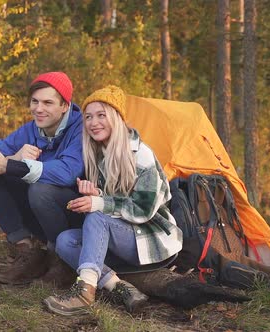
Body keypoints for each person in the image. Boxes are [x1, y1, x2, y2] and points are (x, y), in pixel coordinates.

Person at [43, 85, 183, 315]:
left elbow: (142, 210)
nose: (93, 122)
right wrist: (96, 193)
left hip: (150, 238)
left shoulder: (141, 155)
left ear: (116, 118)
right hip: (123, 236)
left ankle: (84, 292)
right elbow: (114, 202)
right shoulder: (99, 153)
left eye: (101, 115)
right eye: (88, 117)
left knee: (98, 215)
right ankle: (120, 287)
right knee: (65, 241)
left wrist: (99, 203)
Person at [0, 72, 84, 285]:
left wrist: (12, 165)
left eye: (48, 102)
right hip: (41, 215)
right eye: (35, 101)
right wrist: (9, 159)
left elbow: (66, 172)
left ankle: (61, 260)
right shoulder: (30, 129)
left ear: (65, 106)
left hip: (76, 217)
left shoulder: (82, 129)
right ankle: (28, 252)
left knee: (41, 188)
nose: (39, 109)